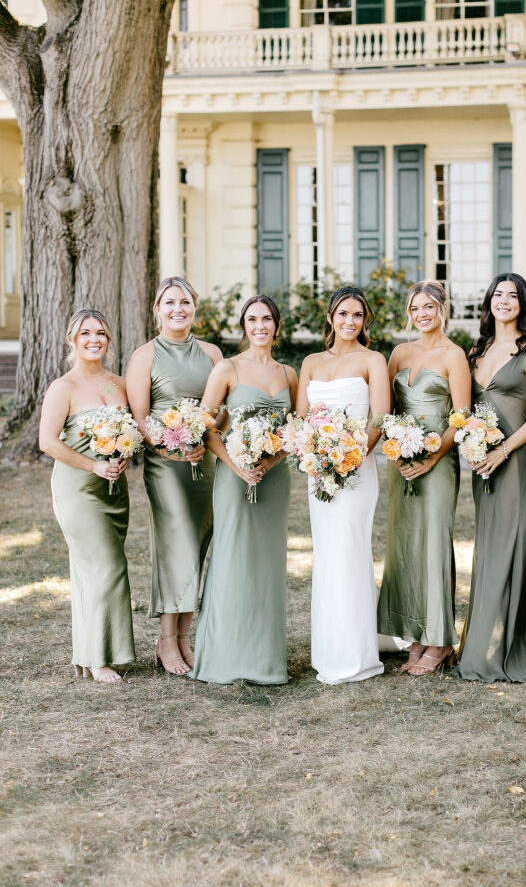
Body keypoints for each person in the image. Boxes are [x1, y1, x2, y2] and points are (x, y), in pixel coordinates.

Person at [453, 273, 526, 683]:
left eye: (513, 296)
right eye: (498, 294)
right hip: (484, 465)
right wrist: (474, 448)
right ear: (488, 302)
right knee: (490, 550)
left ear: (524, 304)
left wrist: (504, 449)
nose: (505, 301)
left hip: (520, 461)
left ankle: (510, 649)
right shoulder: (475, 351)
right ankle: (481, 646)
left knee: (513, 550)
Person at [190, 295, 297, 685]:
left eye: (267, 319)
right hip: (234, 478)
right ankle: (224, 656)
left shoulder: (289, 374)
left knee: (267, 565)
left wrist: (270, 461)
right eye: (252, 319)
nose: (260, 326)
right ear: (244, 326)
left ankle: (266, 660)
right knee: (232, 558)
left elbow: (295, 430)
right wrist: (238, 464)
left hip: (274, 479)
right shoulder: (227, 368)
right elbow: (207, 425)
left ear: (277, 325)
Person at [126, 276, 222, 675]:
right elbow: (140, 416)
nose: (178, 309)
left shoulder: (213, 353)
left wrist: (205, 434)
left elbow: (223, 406)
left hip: (205, 461)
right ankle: (167, 638)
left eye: (185, 302)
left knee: (199, 543)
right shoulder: (144, 356)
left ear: (194, 308)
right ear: (157, 309)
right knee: (176, 543)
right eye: (170, 302)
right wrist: (171, 446)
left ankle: (185, 637)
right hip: (166, 465)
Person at [296, 286, 391, 684]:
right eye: (343, 314)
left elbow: (380, 417)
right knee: (328, 556)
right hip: (319, 471)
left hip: (357, 472)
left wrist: (350, 459)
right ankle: (330, 652)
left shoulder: (373, 359)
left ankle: (357, 655)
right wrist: (317, 457)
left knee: (351, 552)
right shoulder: (312, 362)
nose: (350, 322)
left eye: (357, 316)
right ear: (331, 317)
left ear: (364, 321)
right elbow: (300, 417)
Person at [376, 281, 470, 675]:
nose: (422, 314)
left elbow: (462, 416)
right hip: (401, 463)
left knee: (433, 544)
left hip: (438, 461)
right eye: (416, 308)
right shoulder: (399, 353)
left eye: (429, 306)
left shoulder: (454, 356)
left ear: (443, 309)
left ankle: (440, 641)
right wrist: (393, 447)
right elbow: (386, 410)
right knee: (406, 545)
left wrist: (433, 457)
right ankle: (415, 636)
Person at [39, 309, 135, 682]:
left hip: (114, 487)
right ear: (72, 339)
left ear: (108, 340)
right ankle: (98, 658)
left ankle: (89, 650)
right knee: (107, 566)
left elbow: (132, 431)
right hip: (78, 488)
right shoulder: (63, 387)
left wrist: (123, 453)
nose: (93, 339)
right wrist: (92, 465)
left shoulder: (120, 384)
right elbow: (47, 441)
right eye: (85, 333)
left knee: (91, 570)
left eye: (100, 333)